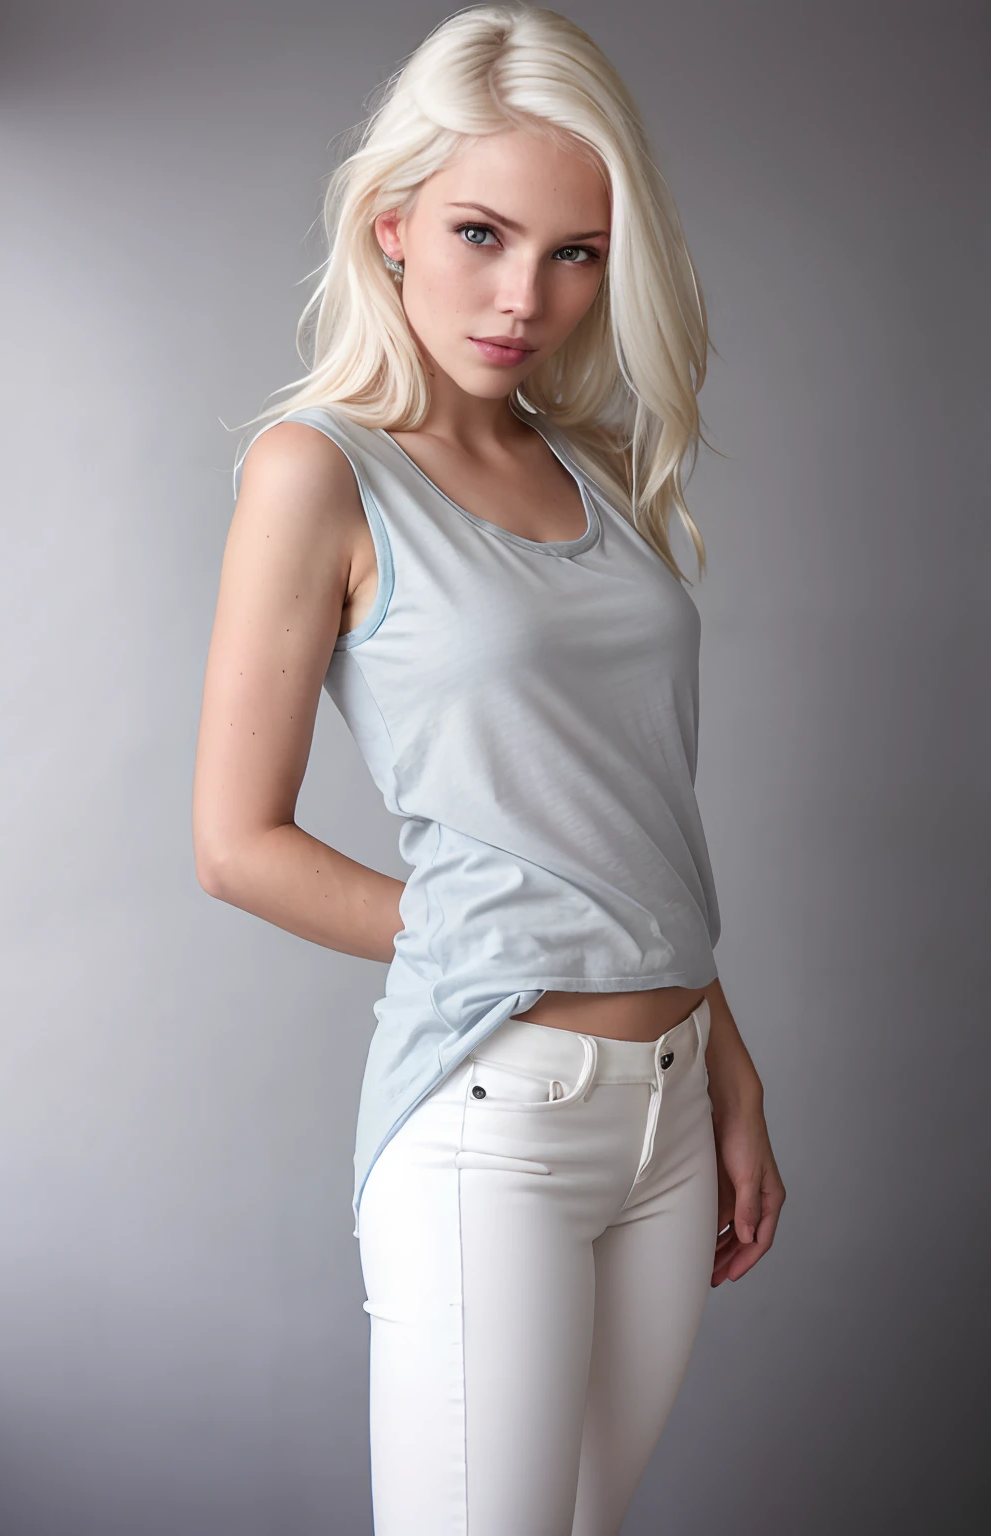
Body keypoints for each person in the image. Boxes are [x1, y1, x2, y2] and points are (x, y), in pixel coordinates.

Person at [192, 6, 785, 1532]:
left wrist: (725, 1061)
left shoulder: (594, 475)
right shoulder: (318, 468)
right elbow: (236, 842)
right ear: (393, 225)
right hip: (490, 1116)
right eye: (480, 232)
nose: (524, 295)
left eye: (574, 251)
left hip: (662, 1119)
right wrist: (487, 934)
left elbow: (628, 810)